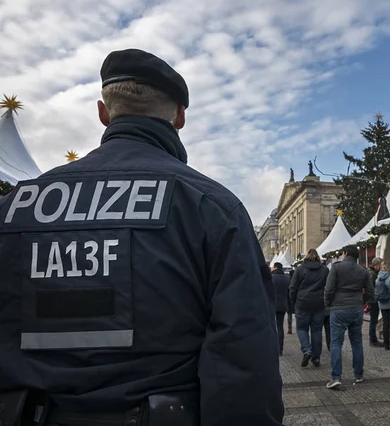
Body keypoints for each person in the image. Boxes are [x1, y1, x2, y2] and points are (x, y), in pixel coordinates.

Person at [0, 48, 284, 426]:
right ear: (180, 117)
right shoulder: (210, 207)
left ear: (103, 112)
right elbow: (243, 355)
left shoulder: (16, 207)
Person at [324, 245, 373, 389]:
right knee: (357, 342)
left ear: (345, 254)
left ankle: (336, 377)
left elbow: (329, 288)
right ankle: (358, 374)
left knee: (336, 343)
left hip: (338, 309)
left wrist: (329, 303)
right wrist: (361, 302)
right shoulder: (363, 270)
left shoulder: (336, 268)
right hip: (356, 308)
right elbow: (370, 291)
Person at [289, 249, 329, 367]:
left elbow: (293, 287)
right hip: (319, 303)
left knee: (302, 329)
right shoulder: (325, 270)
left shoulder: (300, 269)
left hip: (302, 303)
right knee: (316, 330)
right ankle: (316, 358)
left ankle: (307, 350)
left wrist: (293, 301)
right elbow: (329, 286)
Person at [271, 262, 291, 356]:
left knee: (271, 326)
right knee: (280, 327)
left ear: (275, 267)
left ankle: (272, 347)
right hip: (283, 305)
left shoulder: (271, 278)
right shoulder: (287, 278)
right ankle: (280, 349)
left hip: (271, 305)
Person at [367, 257, 384, 347]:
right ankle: (373, 340)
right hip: (373, 300)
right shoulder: (372, 274)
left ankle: (373, 339)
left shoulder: (372, 273)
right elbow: (372, 289)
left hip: (373, 299)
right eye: (381, 265)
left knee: (373, 320)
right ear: (376, 266)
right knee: (373, 320)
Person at [287, 265, 296, 334]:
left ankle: (289, 327)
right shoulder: (297, 280)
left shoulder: (288, 280)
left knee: (289, 315)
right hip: (296, 300)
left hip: (289, 300)